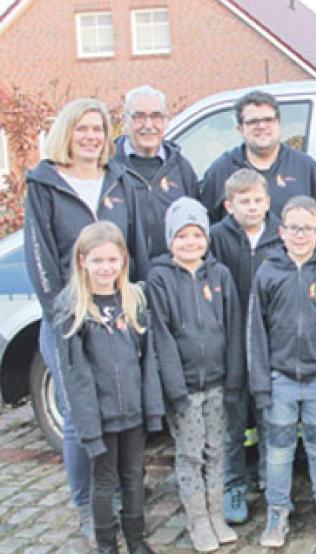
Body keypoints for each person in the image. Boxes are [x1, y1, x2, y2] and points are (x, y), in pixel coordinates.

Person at [23, 97, 149, 544]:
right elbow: (39, 257)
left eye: (98, 129)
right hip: (70, 317)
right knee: (79, 416)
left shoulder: (119, 181)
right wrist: (65, 314)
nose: (92, 137)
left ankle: (116, 496)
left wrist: (137, 303)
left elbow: (136, 245)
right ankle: (85, 503)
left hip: (118, 315)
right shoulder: (45, 183)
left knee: (122, 410)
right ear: (67, 133)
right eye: (83, 129)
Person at [247, 197, 316, 547]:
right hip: (280, 378)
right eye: (293, 227)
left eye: (307, 228)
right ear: (281, 231)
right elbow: (256, 332)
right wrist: (261, 382)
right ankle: (277, 511)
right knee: (278, 450)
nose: (300, 234)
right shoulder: (267, 272)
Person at [56, 221, 163, 554]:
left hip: (132, 412)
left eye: (112, 260)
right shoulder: (74, 311)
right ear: (82, 262)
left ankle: (135, 537)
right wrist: (88, 426)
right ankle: (106, 544)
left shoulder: (133, 301)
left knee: (133, 477)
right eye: (98, 261)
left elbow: (147, 362)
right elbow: (76, 376)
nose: (106, 268)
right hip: (99, 417)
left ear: (123, 262)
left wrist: (151, 409)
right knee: (103, 483)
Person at [146, 198, 241, 552]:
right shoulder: (159, 279)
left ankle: (216, 513)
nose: (191, 243)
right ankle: (197, 519)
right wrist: (174, 388)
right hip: (184, 387)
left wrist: (234, 379)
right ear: (170, 239)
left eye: (197, 235)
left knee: (217, 449)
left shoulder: (220, 275)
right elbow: (162, 337)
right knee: (191, 453)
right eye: (182, 236)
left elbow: (232, 330)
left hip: (216, 382)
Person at [208, 168, 282, 524]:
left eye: (258, 201)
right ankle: (234, 483)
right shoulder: (216, 239)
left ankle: (272, 481)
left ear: (268, 202)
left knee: (270, 413)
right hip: (231, 341)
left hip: (272, 342)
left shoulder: (281, 236)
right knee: (234, 417)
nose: (253, 208)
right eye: (244, 202)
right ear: (229, 205)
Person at [200, 90, 316, 224]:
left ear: (278, 123)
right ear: (240, 129)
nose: (261, 126)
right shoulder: (220, 171)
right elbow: (207, 227)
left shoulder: (305, 168)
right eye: (253, 121)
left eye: (268, 119)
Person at [114, 85, 198, 258]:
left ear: (166, 121)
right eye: (139, 117)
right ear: (124, 121)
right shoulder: (108, 167)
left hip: (170, 279)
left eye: (156, 116)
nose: (148, 125)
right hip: (121, 278)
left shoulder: (181, 168)